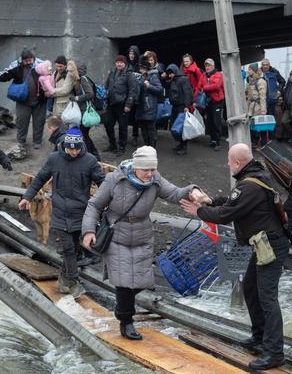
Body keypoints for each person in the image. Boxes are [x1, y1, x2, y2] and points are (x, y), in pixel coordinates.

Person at [179, 143, 288, 370]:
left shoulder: (249, 186)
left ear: (237, 162)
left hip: (270, 246)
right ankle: (259, 337)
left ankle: (275, 353)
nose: (227, 165)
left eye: (229, 161)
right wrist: (210, 202)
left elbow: (226, 214)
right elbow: (233, 203)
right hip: (264, 245)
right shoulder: (254, 176)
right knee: (250, 288)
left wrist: (198, 211)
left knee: (267, 297)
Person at [81, 146, 202, 340]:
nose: (150, 173)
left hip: (142, 236)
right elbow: (94, 205)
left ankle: (121, 310)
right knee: (124, 283)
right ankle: (126, 321)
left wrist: (192, 191)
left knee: (141, 281)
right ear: (136, 167)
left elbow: (174, 194)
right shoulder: (115, 179)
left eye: (153, 169)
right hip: (117, 235)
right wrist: (88, 231)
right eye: (146, 170)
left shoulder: (155, 179)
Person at [20, 129, 105, 298]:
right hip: (59, 211)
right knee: (67, 249)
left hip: (81, 213)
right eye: (70, 149)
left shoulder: (90, 161)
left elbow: (103, 183)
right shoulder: (54, 159)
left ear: (81, 147)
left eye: (76, 149)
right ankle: (74, 283)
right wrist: (27, 197)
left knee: (74, 248)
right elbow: (40, 178)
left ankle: (63, 281)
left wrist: (105, 203)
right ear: (64, 146)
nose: (73, 152)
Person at [0, 48, 47, 150]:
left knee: (39, 122)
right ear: (22, 59)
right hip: (23, 100)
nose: (29, 62)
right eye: (26, 61)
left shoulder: (41, 64)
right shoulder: (16, 65)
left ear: (33, 58)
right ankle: (21, 141)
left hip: (39, 100)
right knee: (21, 121)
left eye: (30, 60)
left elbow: (51, 75)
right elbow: (6, 74)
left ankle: (37, 141)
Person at [104, 55, 138, 155]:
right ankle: (112, 145)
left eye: (121, 62)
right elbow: (107, 85)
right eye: (117, 62)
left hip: (122, 104)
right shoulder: (112, 72)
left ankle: (122, 147)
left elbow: (133, 90)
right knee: (107, 123)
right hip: (111, 103)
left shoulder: (129, 74)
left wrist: (128, 104)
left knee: (122, 127)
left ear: (125, 63)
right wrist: (105, 93)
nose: (119, 64)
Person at [69, 61, 100, 158]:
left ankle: (92, 155)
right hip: (83, 111)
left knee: (84, 134)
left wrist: (77, 98)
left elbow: (90, 94)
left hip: (85, 111)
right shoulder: (81, 79)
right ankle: (92, 154)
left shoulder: (83, 79)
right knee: (84, 134)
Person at [134, 56, 163, 148]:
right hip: (141, 106)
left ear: (146, 68)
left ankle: (152, 148)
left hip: (149, 106)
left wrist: (149, 86)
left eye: (141, 68)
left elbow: (159, 89)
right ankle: (147, 147)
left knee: (150, 128)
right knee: (143, 128)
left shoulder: (153, 76)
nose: (140, 69)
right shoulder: (140, 77)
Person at [165, 64, 193, 155]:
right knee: (174, 126)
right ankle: (181, 144)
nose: (169, 75)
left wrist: (187, 106)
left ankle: (184, 146)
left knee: (181, 127)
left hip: (182, 106)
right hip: (175, 106)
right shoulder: (174, 80)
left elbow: (188, 93)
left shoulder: (183, 79)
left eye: (170, 73)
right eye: (168, 74)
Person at [198, 58, 225, 151]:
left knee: (216, 121)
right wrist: (195, 100)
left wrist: (205, 88)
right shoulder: (203, 76)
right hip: (208, 102)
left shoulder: (218, 75)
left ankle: (217, 141)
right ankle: (213, 139)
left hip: (217, 102)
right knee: (209, 121)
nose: (207, 67)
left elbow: (216, 86)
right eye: (206, 65)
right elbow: (198, 87)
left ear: (213, 66)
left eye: (209, 65)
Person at [246, 63, 268, 148]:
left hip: (258, 107)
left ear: (254, 71)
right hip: (251, 107)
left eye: (250, 69)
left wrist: (263, 111)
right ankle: (254, 142)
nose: (248, 71)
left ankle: (263, 144)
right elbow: (248, 96)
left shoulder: (261, 81)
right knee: (252, 126)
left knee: (261, 127)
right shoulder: (250, 80)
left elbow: (263, 97)